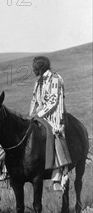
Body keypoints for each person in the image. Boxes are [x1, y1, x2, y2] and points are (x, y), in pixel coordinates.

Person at [29, 56, 71, 191]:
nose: (32, 70)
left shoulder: (55, 79)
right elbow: (34, 100)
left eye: (34, 67)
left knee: (55, 134)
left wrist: (40, 113)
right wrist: (31, 116)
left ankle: (59, 173)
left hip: (54, 116)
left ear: (39, 68)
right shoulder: (38, 83)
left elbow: (53, 101)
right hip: (40, 115)